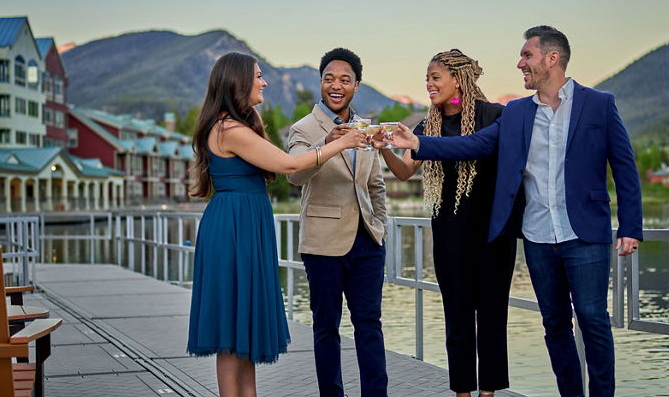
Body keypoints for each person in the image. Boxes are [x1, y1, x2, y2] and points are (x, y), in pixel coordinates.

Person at [390, 26, 643, 397]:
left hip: (585, 233)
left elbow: (624, 166)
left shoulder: (598, 104)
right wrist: (418, 142)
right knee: (555, 325)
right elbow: (474, 144)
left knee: (593, 320)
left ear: (551, 58)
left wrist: (631, 226)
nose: (519, 63)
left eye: (527, 56)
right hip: (538, 236)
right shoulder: (516, 114)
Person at [186, 52, 367, 397]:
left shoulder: (238, 124)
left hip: (245, 224)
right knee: (230, 331)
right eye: (257, 76)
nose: (264, 82)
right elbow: (288, 164)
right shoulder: (228, 129)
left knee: (245, 331)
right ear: (239, 81)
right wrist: (341, 142)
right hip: (234, 228)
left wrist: (329, 141)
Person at [374, 49, 518, 396]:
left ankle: (489, 392)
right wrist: (383, 149)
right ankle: (463, 392)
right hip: (449, 235)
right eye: (427, 79)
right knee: (457, 318)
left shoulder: (494, 116)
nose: (428, 85)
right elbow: (406, 171)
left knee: (492, 319)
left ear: (458, 79)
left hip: (493, 235)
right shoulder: (427, 126)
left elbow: (487, 152)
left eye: (435, 78)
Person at [286, 47, 389, 397]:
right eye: (329, 78)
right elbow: (294, 175)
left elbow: (375, 184)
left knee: (370, 327)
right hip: (323, 243)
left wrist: (381, 228)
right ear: (321, 82)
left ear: (356, 86)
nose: (336, 85)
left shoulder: (365, 129)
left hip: (367, 243)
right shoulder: (303, 128)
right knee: (326, 329)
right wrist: (325, 143)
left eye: (345, 80)